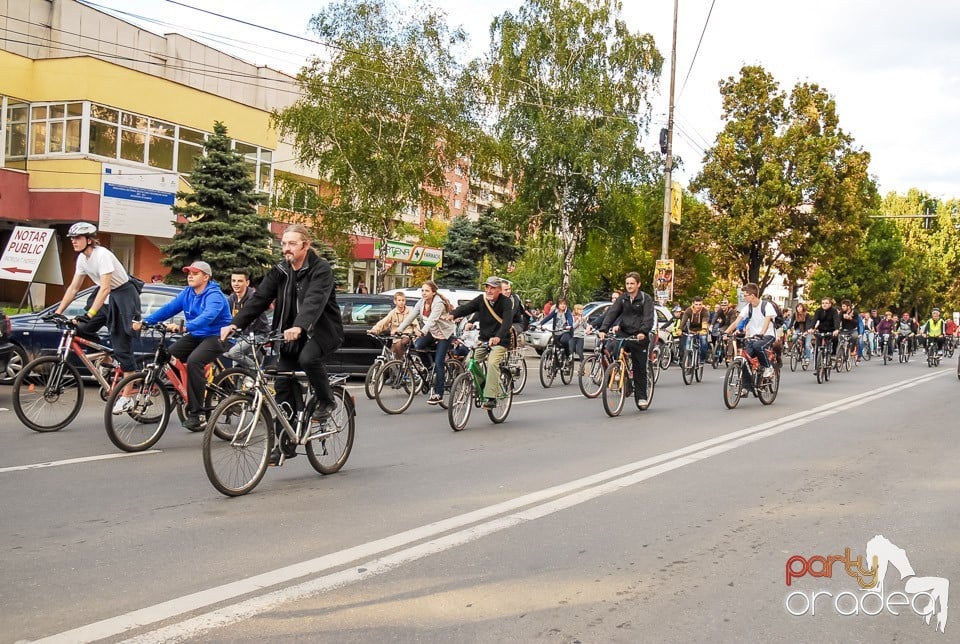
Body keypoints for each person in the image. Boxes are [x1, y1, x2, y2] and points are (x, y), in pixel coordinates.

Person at [222, 224, 343, 465]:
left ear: (305, 245)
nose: (286, 249)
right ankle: (283, 444)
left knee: (308, 359)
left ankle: (326, 400)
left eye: (291, 244)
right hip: (289, 335)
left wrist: (300, 326)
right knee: (282, 381)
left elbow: (314, 300)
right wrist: (235, 324)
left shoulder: (321, 269)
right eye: (284, 244)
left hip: (321, 331)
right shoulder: (280, 270)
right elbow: (259, 299)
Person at [54, 222, 141, 412]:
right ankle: (108, 360)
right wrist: (58, 312)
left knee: (122, 346)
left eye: (77, 238)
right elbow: (74, 287)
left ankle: (127, 397)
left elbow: (105, 288)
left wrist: (90, 313)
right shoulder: (82, 259)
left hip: (123, 296)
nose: (74, 242)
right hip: (105, 297)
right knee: (80, 329)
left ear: (89, 240)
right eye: (72, 239)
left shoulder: (102, 255)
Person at [133, 261, 231, 430]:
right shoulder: (187, 293)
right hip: (197, 335)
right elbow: (169, 308)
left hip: (217, 336)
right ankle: (185, 391)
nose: (190, 276)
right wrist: (145, 322)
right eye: (188, 273)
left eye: (195, 273)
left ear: (206, 277)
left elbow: (208, 316)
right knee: (169, 356)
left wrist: (185, 327)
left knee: (194, 361)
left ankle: (197, 413)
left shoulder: (214, 295)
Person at [447, 276, 513, 409]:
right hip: (484, 339)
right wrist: (453, 314)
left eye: (492, 288)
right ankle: (484, 385)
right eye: (487, 287)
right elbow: (467, 308)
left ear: (499, 290)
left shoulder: (506, 302)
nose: (489, 290)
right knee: (469, 361)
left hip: (500, 341)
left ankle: (490, 397)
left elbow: (507, 322)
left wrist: (499, 337)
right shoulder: (482, 300)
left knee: (493, 362)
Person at [597, 272, 655, 408]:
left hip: (639, 336)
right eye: (627, 283)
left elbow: (648, 318)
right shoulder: (622, 299)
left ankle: (641, 397)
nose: (629, 286)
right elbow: (612, 313)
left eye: (632, 283)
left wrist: (643, 332)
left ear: (638, 284)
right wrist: (603, 329)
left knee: (639, 367)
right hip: (624, 332)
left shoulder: (646, 299)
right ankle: (619, 373)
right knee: (612, 348)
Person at [396, 281, 454, 405]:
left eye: (427, 291)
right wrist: (399, 329)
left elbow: (431, 320)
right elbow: (411, 316)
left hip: (444, 334)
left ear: (433, 292)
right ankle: (429, 367)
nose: (424, 293)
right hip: (432, 332)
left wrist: (422, 331)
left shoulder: (438, 303)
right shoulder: (421, 302)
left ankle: (439, 393)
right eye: (422, 290)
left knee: (439, 363)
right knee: (418, 345)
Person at [725, 283, 777, 381]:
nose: (744, 297)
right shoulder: (747, 307)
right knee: (745, 359)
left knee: (758, 346)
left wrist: (761, 333)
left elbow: (767, 322)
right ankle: (746, 387)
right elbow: (737, 322)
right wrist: (726, 332)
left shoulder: (766, 306)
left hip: (767, 335)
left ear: (752, 296)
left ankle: (768, 367)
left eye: (745, 295)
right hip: (753, 336)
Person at [223, 270, 270, 370]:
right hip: (242, 336)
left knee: (234, 353)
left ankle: (257, 370)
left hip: (258, 334)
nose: (236, 284)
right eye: (233, 281)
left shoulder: (253, 297)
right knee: (235, 368)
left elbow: (250, 318)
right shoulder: (232, 299)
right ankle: (238, 384)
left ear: (247, 283)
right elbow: (226, 318)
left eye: (239, 281)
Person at [369, 290, 419, 359]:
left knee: (400, 344)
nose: (401, 302)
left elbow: (416, 326)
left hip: (406, 337)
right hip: (396, 339)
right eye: (399, 300)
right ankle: (397, 366)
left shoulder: (410, 312)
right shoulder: (393, 313)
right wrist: (374, 330)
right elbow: (383, 322)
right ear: (395, 301)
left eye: (403, 300)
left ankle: (402, 363)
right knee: (390, 357)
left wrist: (416, 336)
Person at [679, 297, 710, 361]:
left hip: (701, 330)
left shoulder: (705, 311)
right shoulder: (688, 310)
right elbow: (683, 321)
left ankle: (702, 359)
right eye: (696, 304)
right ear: (692, 304)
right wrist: (680, 329)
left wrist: (704, 329)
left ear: (702, 304)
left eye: (700, 304)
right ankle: (688, 360)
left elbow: (705, 320)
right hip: (691, 330)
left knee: (703, 342)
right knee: (687, 346)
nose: (698, 306)